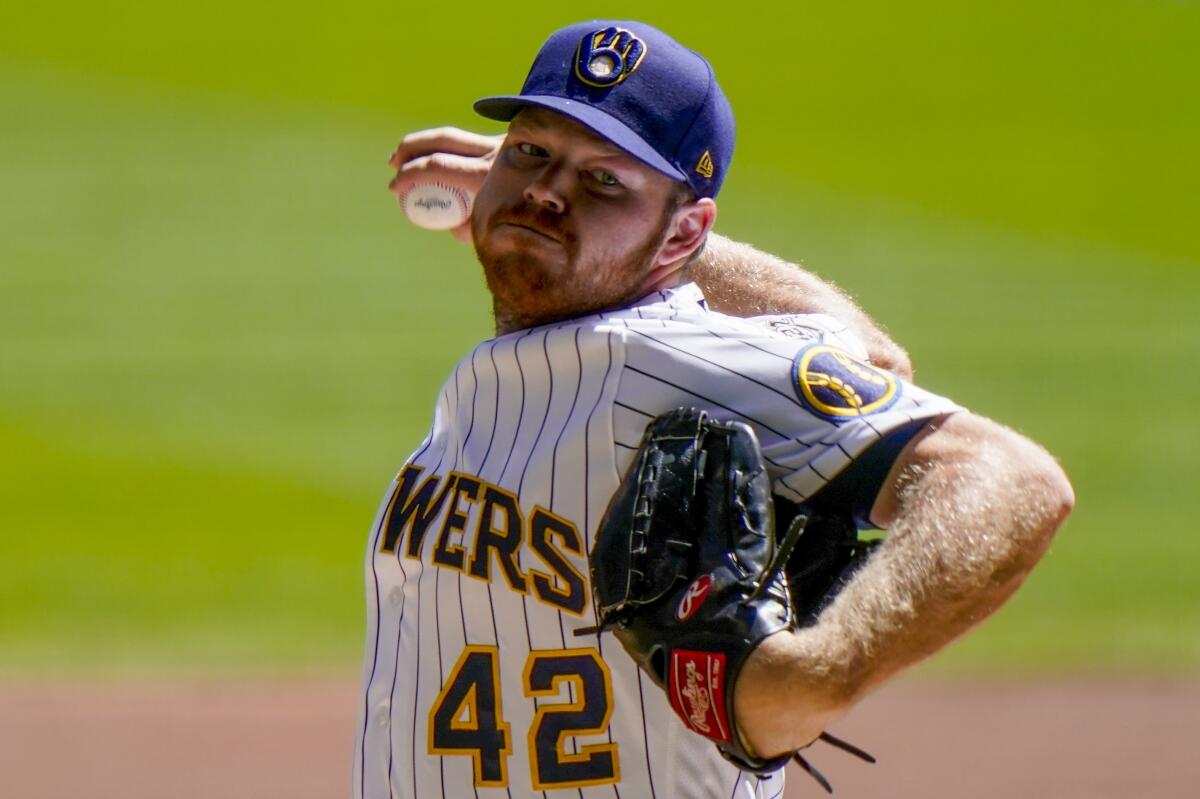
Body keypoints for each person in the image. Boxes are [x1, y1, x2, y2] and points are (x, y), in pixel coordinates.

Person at [358, 20, 1074, 799]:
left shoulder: (666, 360)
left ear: (686, 234)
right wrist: (585, 218)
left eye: (603, 181)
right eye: (531, 153)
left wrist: (819, 675)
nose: (543, 193)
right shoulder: (525, 369)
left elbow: (1013, 477)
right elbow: (870, 357)